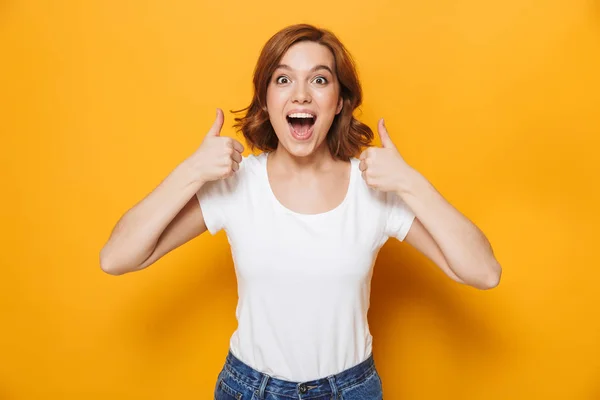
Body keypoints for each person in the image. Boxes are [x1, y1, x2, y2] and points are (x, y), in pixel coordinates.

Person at [100, 23, 502, 400]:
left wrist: (411, 182)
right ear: (267, 99)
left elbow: (483, 272)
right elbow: (117, 258)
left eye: (320, 79)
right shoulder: (237, 184)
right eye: (283, 79)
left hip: (351, 388)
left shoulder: (375, 189)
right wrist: (189, 172)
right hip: (249, 388)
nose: (301, 94)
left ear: (339, 100)